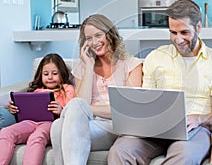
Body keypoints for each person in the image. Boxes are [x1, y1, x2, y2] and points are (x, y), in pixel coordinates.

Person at [108, 0, 212, 165]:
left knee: (185, 156)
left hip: (195, 130)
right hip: (155, 129)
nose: (178, 39)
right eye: (173, 33)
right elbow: (146, 101)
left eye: (184, 32)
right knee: (119, 151)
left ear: (198, 27)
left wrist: (198, 119)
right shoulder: (156, 57)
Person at [50, 14, 143, 165]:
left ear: (110, 35)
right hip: (88, 123)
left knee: (73, 109)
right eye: (88, 38)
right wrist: (88, 66)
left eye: (98, 35)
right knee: (56, 127)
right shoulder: (83, 68)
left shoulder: (131, 64)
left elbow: (127, 109)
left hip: (117, 125)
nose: (94, 42)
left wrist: (87, 109)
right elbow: (81, 103)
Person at [0, 53, 75, 165]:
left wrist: (62, 109)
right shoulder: (35, 90)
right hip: (30, 122)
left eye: (54, 73)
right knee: (6, 132)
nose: (50, 77)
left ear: (62, 74)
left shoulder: (67, 89)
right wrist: (13, 108)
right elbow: (22, 108)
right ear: (41, 75)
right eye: (46, 74)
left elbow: (73, 109)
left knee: (37, 137)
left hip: (52, 124)